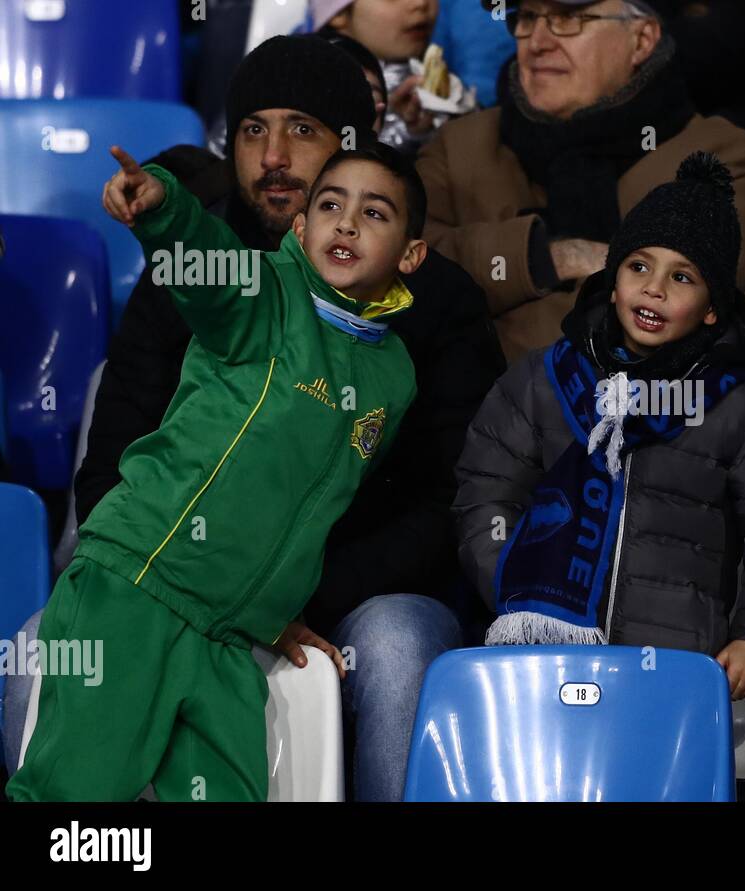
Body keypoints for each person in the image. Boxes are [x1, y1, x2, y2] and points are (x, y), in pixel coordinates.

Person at [0, 35, 503, 803]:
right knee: (74, 779)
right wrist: (164, 208)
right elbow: (195, 276)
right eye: (252, 129)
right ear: (302, 229)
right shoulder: (248, 278)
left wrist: (284, 597)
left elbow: (443, 505)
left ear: (410, 250)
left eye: (302, 129)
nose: (273, 155)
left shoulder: (421, 335)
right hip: (153, 576)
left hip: (285, 607)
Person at [454, 153, 745, 696]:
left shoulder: (744, 406)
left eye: (682, 277)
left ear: (713, 308)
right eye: (638, 266)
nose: (654, 289)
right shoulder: (543, 380)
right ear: (612, 279)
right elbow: (485, 492)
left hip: (675, 668)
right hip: (540, 658)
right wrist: (513, 581)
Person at [418, 0, 745, 363]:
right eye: (529, 17)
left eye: (569, 18)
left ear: (642, 40)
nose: (538, 42)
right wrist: (546, 258)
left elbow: (667, 335)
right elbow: (395, 274)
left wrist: (469, 329)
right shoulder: (459, 145)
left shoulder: (725, 166)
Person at [312, 0, 475, 154]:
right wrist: (407, 135)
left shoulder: (439, 74)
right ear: (339, 14)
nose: (421, 3)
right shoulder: (314, 84)